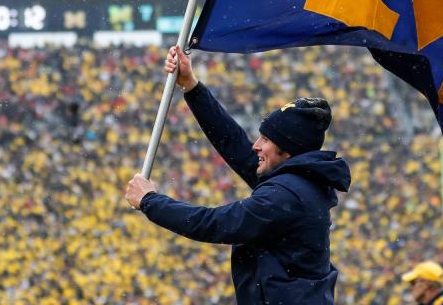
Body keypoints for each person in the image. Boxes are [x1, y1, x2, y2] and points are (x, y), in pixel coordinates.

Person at [125, 46, 352, 304]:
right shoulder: (299, 182)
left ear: (287, 150)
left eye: (265, 139)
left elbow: (215, 223)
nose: (256, 145)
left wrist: (149, 200)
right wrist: (191, 86)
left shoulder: (283, 195)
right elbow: (234, 144)